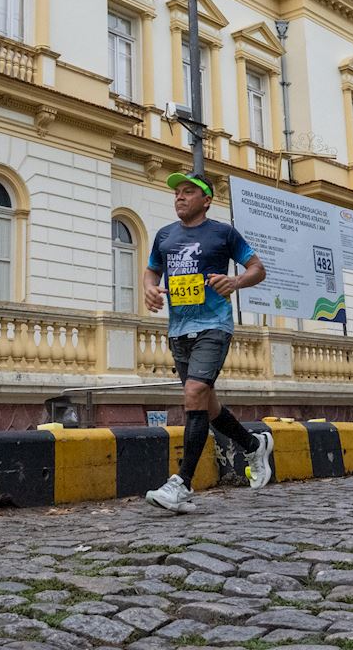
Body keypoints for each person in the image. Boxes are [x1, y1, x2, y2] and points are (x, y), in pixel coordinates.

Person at [143, 172, 274, 513]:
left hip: (213, 325)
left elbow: (257, 268)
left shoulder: (223, 234)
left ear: (206, 200)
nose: (180, 197)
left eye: (188, 192)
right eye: (177, 193)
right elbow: (152, 271)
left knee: (193, 393)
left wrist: (236, 281)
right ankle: (253, 444)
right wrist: (149, 289)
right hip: (178, 329)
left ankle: (182, 485)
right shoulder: (164, 236)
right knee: (207, 404)